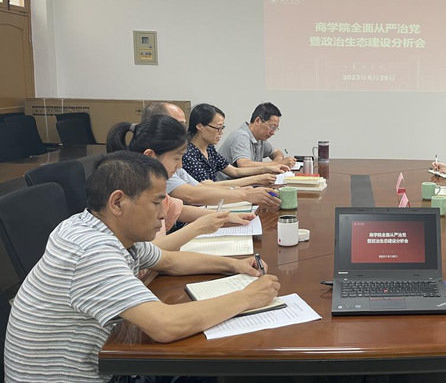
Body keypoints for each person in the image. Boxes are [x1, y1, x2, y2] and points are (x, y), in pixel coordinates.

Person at [4, 151, 280, 382]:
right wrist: (247, 297)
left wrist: (234, 265)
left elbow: (169, 260)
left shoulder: (103, 227)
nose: (164, 213)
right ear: (118, 202)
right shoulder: (91, 250)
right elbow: (165, 325)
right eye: (157, 202)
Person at [107, 115, 256, 251]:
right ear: (150, 156)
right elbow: (149, 254)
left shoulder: (152, 186)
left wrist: (225, 217)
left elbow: (178, 209)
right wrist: (198, 227)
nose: (180, 166)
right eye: (176, 158)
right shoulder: (131, 196)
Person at [141, 102, 281, 209]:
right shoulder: (185, 155)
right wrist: (246, 192)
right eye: (218, 128)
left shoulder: (208, 149)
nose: (180, 164)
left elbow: (203, 186)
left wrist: (246, 187)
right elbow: (193, 196)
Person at [183, 104, 288, 183]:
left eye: (222, 128)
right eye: (218, 128)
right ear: (200, 126)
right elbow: (208, 187)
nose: (221, 133)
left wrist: (266, 169)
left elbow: (234, 171)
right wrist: (257, 178)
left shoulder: (209, 149)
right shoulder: (189, 153)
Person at [217, 102, 296, 172]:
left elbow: (277, 152)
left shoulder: (259, 138)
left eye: (275, 128)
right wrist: (278, 164)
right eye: (272, 127)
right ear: (258, 121)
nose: (273, 133)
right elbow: (244, 165)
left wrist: (277, 161)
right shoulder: (241, 137)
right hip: (227, 183)